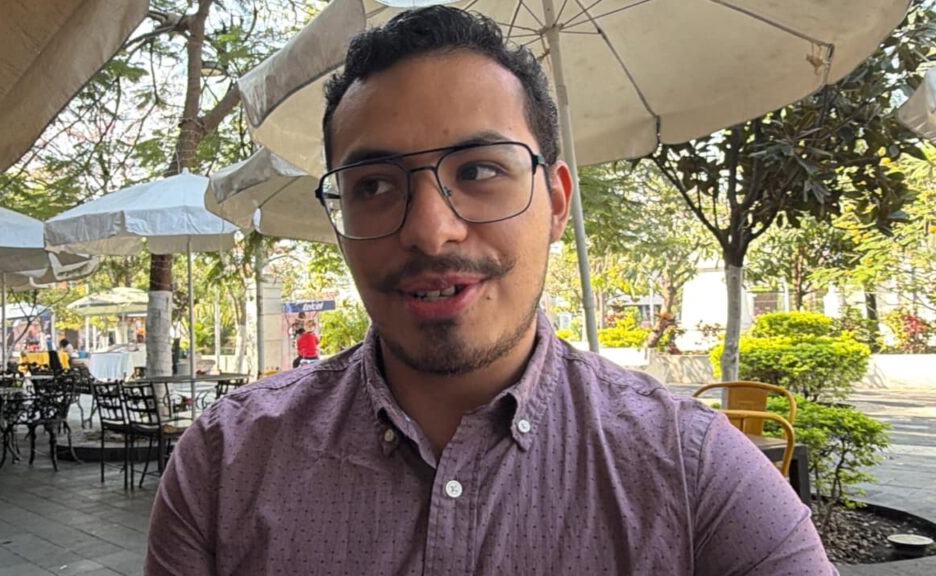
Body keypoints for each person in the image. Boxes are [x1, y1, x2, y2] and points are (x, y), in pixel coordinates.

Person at [147, 7, 834, 575]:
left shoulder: (696, 475)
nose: (430, 231)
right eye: (375, 185)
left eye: (478, 171)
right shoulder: (224, 465)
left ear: (557, 202)